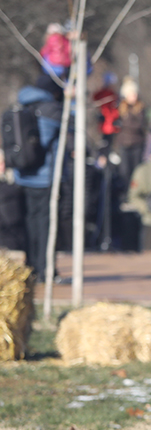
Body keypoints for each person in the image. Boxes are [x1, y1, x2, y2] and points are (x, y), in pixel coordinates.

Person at [12, 75, 64, 280]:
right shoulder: (51, 109)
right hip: (44, 177)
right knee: (45, 225)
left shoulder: (22, 105)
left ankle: (31, 267)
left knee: (29, 222)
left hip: (23, 175)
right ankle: (45, 269)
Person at [112, 76, 147, 190]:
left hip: (137, 144)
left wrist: (125, 123)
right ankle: (125, 192)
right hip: (124, 144)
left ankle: (135, 191)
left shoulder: (140, 108)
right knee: (124, 171)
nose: (134, 96)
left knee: (136, 171)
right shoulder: (120, 108)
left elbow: (139, 125)